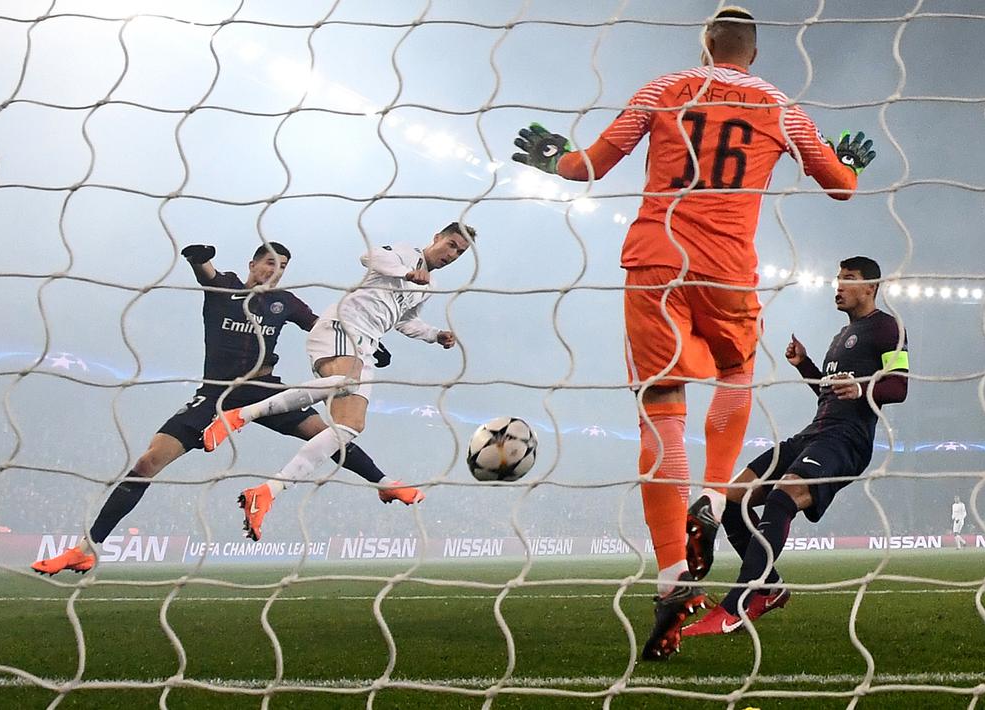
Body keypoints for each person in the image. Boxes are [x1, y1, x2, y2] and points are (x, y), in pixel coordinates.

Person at [511, 6, 874, 659]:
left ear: (704, 46)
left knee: (660, 414)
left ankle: (672, 573)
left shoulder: (661, 88)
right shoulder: (777, 104)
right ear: (752, 53)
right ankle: (710, 496)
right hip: (729, 271)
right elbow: (840, 188)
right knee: (735, 377)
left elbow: (586, 167)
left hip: (654, 263)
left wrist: (553, 157)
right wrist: (849, 163)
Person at [32, 242, 416, 575]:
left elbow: (323, 326)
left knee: (330, 436)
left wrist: (364, 343)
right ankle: (84, 551)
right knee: (149, 462)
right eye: (268, 262)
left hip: (265, 391)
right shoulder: (227, 288)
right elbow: (207, 273)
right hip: (215, 395)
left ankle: (384, 484)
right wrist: (197, 259)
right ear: (252, 265)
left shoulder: (284, 303)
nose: (274, 271)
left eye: (282, 266)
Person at [202, 222, 473, 541]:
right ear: (437, 237)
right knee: (344, 382)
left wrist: (434, 334)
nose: (453, 254)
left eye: (461, 252)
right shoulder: (404, 253)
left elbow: (405, 321)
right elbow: (368, 256)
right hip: (342, 328)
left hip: (366, 345)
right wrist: (406, 273)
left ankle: (267, 491)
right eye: (452, 245)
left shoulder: (427, 285)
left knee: (348, 428)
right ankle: (240, 415)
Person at [682, 256, 909, 637]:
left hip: (847, 439)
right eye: (837, 278)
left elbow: (899, 386)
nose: (838, 286)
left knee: (783, 496)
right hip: (814, 432)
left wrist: (863, 388)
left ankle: (736, 605)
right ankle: (769, 588)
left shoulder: (888, 328)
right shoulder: (840, 337)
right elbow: (828, 393)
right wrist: (806, 365)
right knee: (732, 496)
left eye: (848, 279)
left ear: (871, 287)